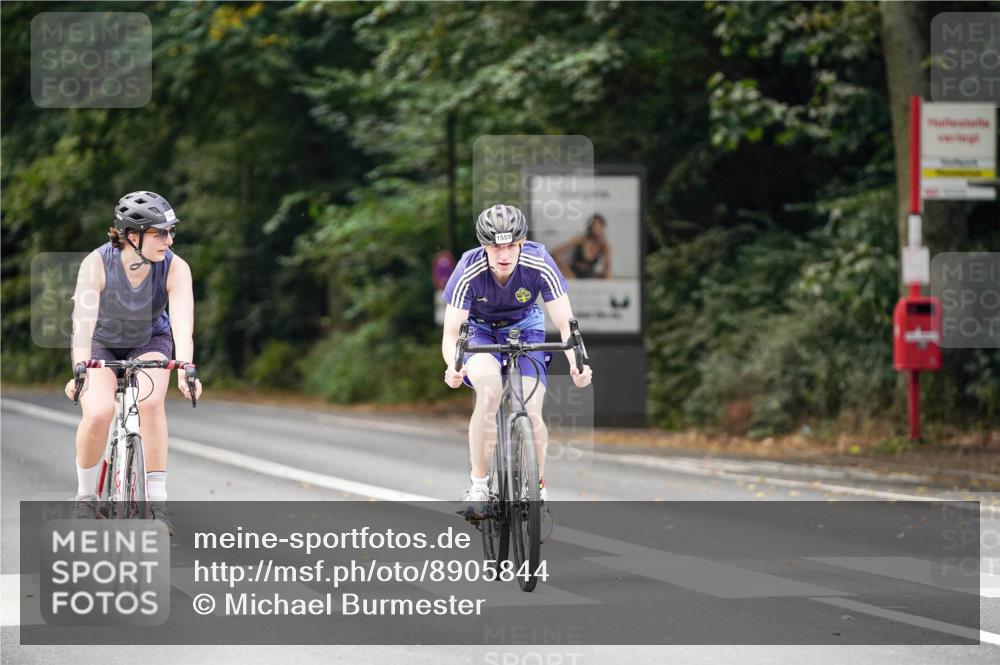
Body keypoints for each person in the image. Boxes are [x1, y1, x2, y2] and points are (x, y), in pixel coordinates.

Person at [440, 204, 593, 522]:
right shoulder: (469, 268)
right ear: (484, 246)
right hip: (480, 332)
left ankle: (535, 488)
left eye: (511, 245)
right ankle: (480, 487)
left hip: (525, 328)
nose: (504, 254)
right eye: (495, 246)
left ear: (522, 243)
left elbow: (566, 324)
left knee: (533, 407)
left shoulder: (539, 261)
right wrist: (454, 365)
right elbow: (453, 331)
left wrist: (578, 362)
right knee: (490, 392)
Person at [64, 191, 203, 534]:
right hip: (101, 341)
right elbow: (82, 323)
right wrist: (80, 369)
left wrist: (185, 367)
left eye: (171, 232)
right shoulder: (96, 264)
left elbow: (183, 324)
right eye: (159, 233)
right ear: (131, 235)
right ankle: (85, 499)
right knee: (98, 413)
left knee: (151, 403)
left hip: (149, 340)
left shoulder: (176, 267)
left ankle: (157, 502)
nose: (168, 240)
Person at [552, 213, 612, 279]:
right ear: (590, 227)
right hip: (573, 273)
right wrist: (567, 271)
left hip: (588, 274)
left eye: (598, 225)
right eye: (594, 225)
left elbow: (607, 267)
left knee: (608, 275)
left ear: (602, 227)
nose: (596, 227)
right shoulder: (581, 239)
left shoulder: (603, 245)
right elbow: (555, 253)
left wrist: (605, 274)